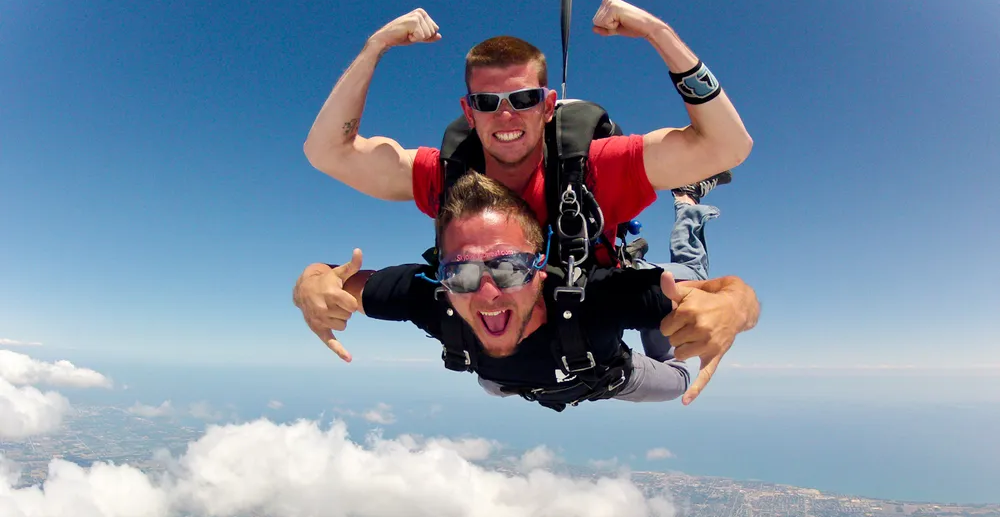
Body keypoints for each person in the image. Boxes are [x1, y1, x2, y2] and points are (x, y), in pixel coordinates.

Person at [299, 0, 753, 367]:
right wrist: (374, 46)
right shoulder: (449, 176)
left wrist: (660, 33)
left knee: (670, 339)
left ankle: (688, 202)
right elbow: (328, 153)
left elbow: (726, 147)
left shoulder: (594, 166)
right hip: (528, 317)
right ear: (468, 110)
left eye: (523, 98)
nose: (505, 114)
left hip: (606, 285)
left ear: (548, 105)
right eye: (487, 101)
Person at [293, 173, 759, 409]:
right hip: (514, 380)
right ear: (443, 275)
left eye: (509, 268)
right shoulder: (431, 297)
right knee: (494, 381)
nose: (487, 293)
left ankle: (687, 203)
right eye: (462, 274)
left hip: (609, 377)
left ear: (541, 268)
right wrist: (310, 284)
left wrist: (733, 309)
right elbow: (332, 277)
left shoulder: (593, 298)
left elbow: (729, 293)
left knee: (678, 340)